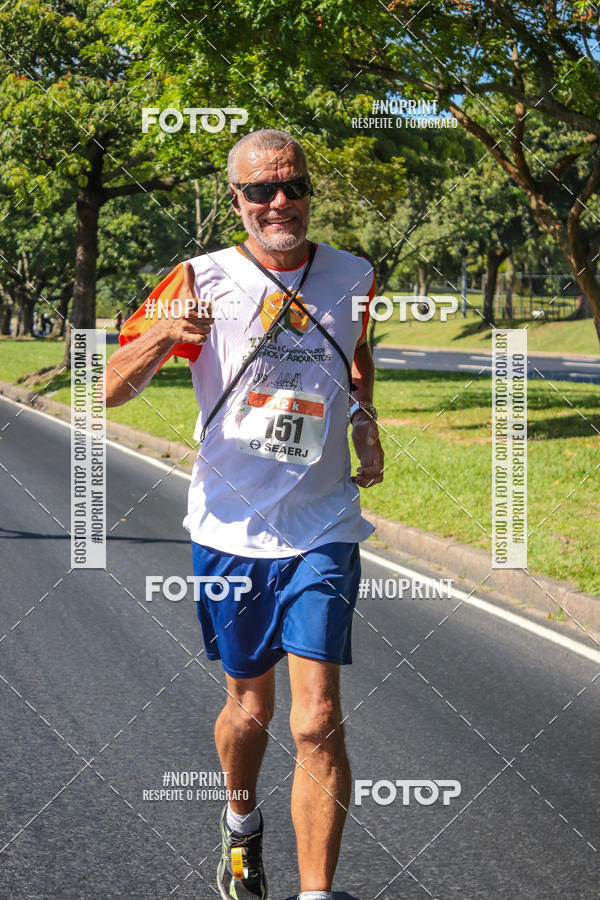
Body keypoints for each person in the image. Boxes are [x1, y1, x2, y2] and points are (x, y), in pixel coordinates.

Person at [104, 129, 384, 900]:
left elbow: (357, 355)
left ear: (306, 187)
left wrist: (365, 420)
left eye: (291, 185)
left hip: (323, 523)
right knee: (250, 708)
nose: (279, 202)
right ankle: (239, 823)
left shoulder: (354, 274)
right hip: (229, 528)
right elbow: (107, 390)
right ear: (237, 201)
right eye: (260, 191)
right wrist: (165, 332)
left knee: (315, 717)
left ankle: (316, 894)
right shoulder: (198, 277)